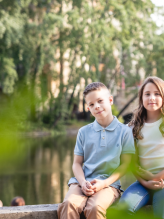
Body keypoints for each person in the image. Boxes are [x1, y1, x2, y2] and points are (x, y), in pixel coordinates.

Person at [57, 82, 135, 219]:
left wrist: (104, 183)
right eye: (91, 104)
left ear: (110, 100)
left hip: (109, 185)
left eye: (100, 101)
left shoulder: (125, 132)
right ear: (88, 108)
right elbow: (76, 163)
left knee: (95, 207)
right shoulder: (83, 132)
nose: (96, 106)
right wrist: (82, 183)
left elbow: (125, 165)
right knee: (68, 204)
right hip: (82, 182)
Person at [119, 76, 164, 219]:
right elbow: (133, 162)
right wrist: (145, 182)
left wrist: (156, 178)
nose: (152, 98)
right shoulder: (132, 128)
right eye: (147, 94)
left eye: (157, 94)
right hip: (143, 182)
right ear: (141, 98)